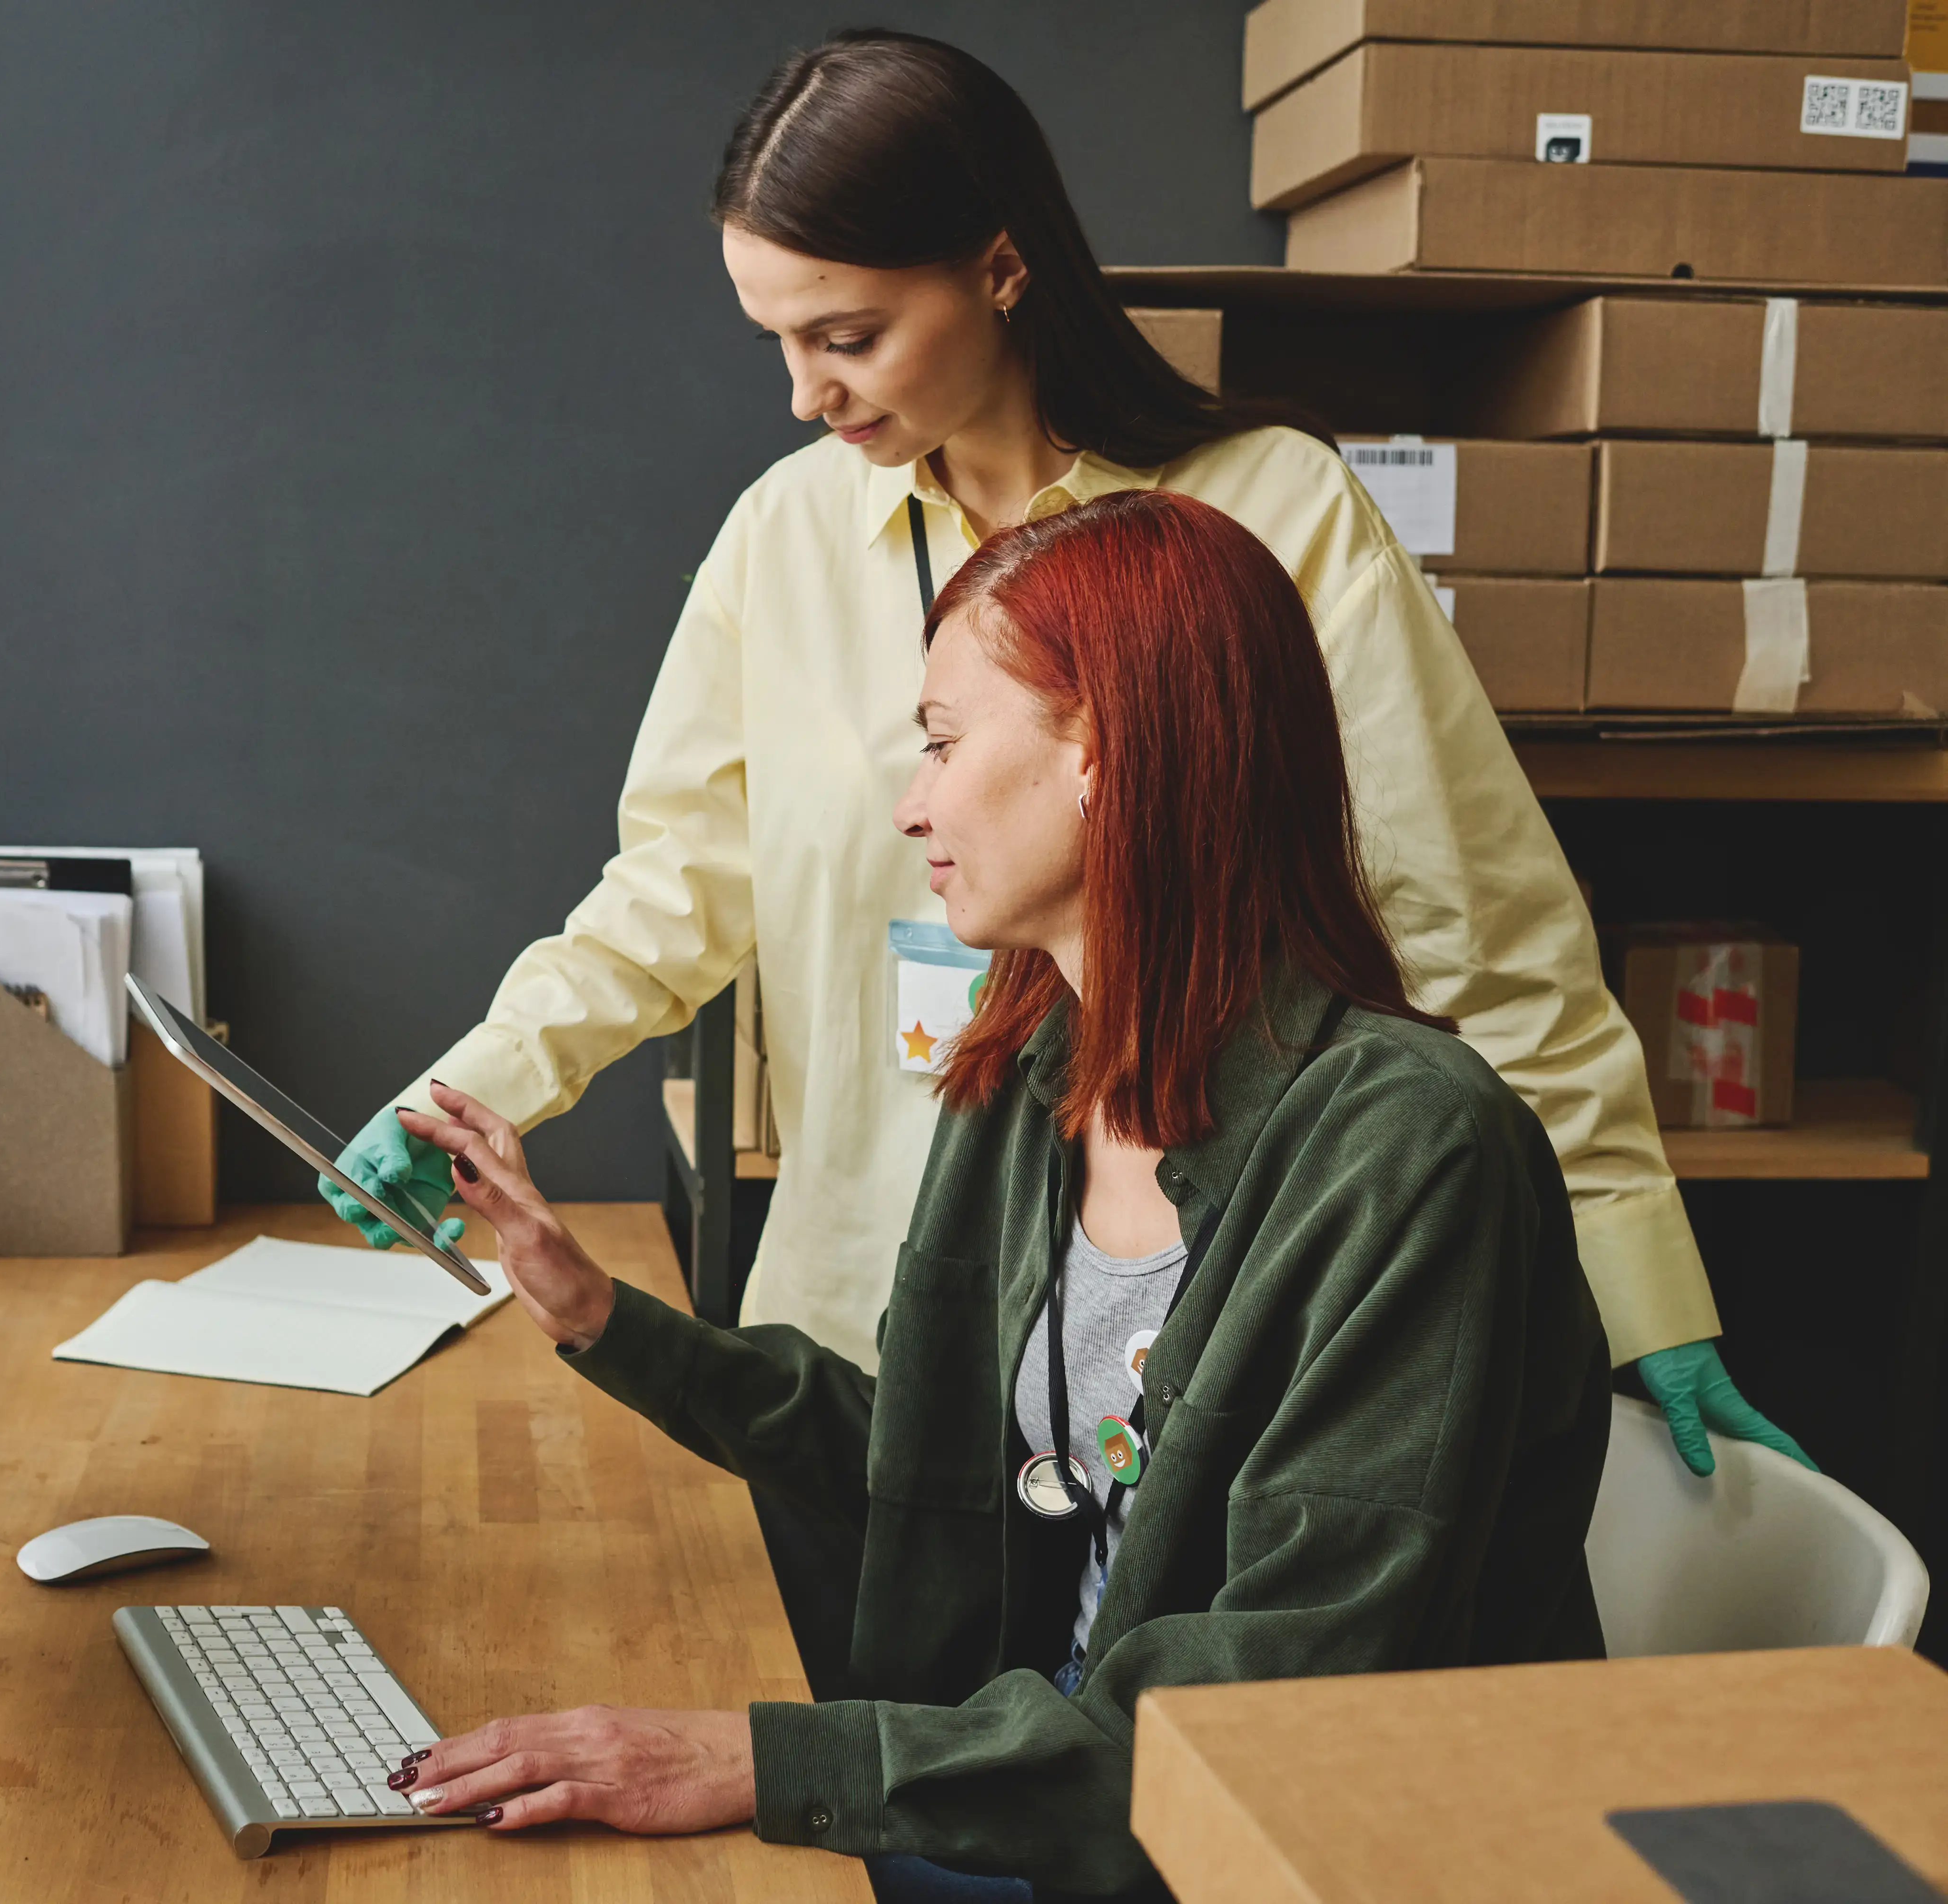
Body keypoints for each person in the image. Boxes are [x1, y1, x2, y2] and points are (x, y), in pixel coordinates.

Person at [320, 30, 1800, 1502]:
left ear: (1004, 268)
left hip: (1187, 1344)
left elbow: (1474, 928)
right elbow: (672, 893)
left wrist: (1632, 1276)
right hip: (858, 1330)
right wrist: (470, 1098)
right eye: (775, 341)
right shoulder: (787, 537)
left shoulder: (1273, 520)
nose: (804, 396)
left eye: (847, 337)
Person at [374, 490, 1612, 1899]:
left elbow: (1270, 1707)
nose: (912, 802)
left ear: (1106, 752)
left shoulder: (1416, 1154)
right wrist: (603, 1318)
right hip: (1049, 1800)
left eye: (945, 742)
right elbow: (940, 1473)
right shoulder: (1042, 1066)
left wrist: (776, 1762)